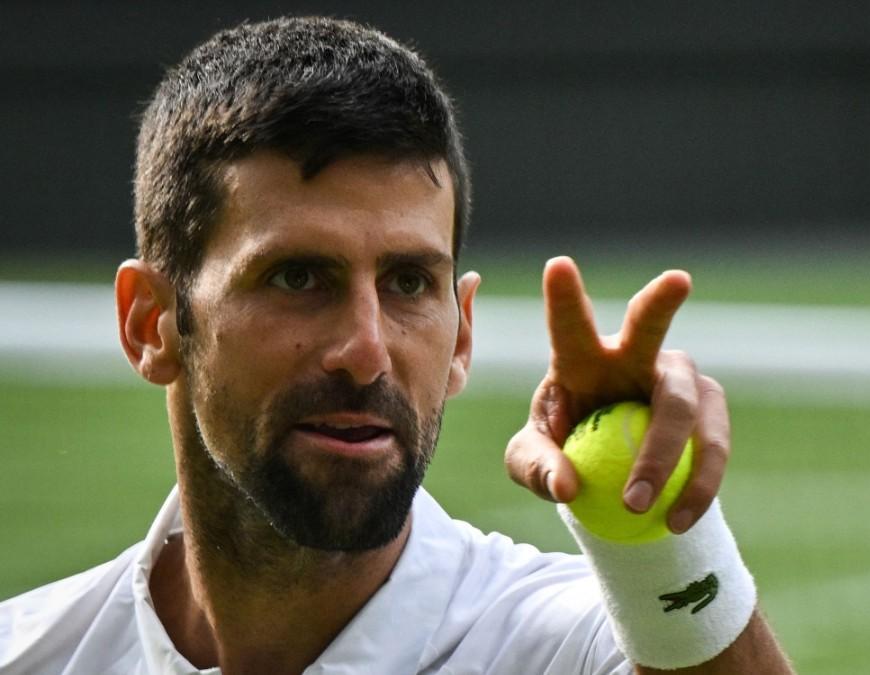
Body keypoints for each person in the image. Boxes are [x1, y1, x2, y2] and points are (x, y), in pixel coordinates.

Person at [0, 16, 792, 674]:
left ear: (462, 336)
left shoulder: (567, 647)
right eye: (297, 276)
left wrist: (658, 542)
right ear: (151, 324)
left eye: (410, 282)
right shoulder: (34, 651)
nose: (366, 350)